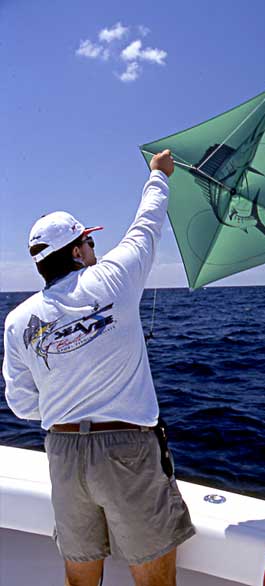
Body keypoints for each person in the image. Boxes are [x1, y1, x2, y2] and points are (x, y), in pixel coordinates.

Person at [2, 149, 195, 586]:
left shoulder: (17, 321)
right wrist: (158, 175)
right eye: (89, 242)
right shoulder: (112, 278)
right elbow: (147, 224)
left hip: (63, 455)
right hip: (127, 449)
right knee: (154, 580)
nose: (94, 248)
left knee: (80, 576)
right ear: (75, 251)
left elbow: (20, 403)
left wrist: (64, 409)